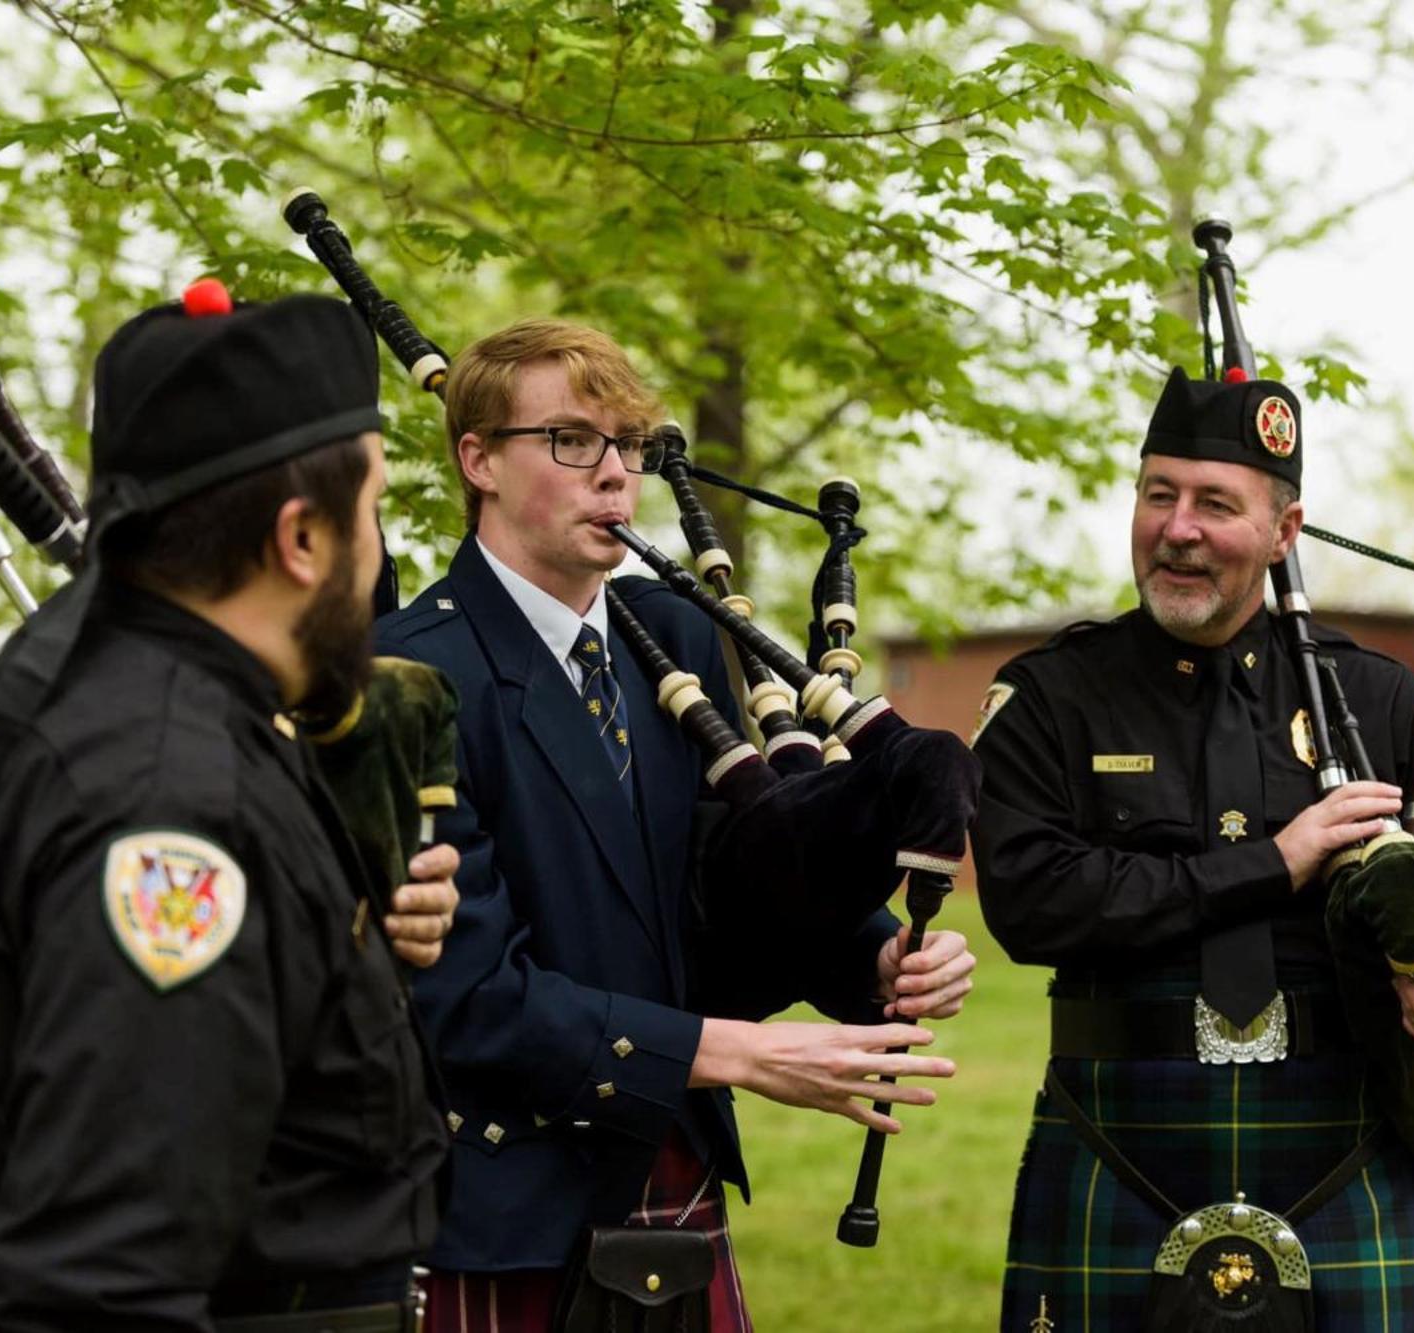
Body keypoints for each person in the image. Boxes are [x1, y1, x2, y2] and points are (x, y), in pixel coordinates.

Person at [0, 288, 459, 1332]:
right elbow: (103, 1285)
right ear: (301, 539)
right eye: (369, 514)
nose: (377, 559)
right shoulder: (170, 809)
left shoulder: (157, 728)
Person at [374, 318, 978, 1332]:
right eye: (571, 440)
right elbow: (466, 995)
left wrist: (868, 960)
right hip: (499, 1202)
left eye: (630, 443)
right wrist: (739, 1053)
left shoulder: (679, 632)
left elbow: (717, 867)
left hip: (669, 1164)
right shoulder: (412, 675)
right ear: (476, 458)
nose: (613, 474)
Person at [971, 367, 1414, 1331]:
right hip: (1118, 1137)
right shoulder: (1052, 696)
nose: (1178, 528)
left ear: (1284, 532)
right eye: (1160, 495)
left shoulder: (1375, 700)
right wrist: (1275, 862)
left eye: (1215, 504)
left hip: (1340, 1146)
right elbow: (1031, 901)